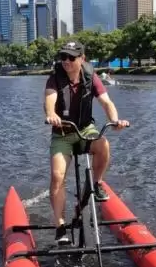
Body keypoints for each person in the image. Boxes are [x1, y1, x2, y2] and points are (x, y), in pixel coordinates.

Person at [43, 41, 129, 245]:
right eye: (63, 57)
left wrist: (115, 120)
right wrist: (52, 114)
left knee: (103, 145)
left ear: (82, 59)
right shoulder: (55, 79)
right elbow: (49, 101)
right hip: (62, 132)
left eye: (71, 58)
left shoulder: (91, 77)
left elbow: (106, 102)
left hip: (85, 129)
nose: (66, 61)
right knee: (57, 176)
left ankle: (97, 184)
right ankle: (60, 226)